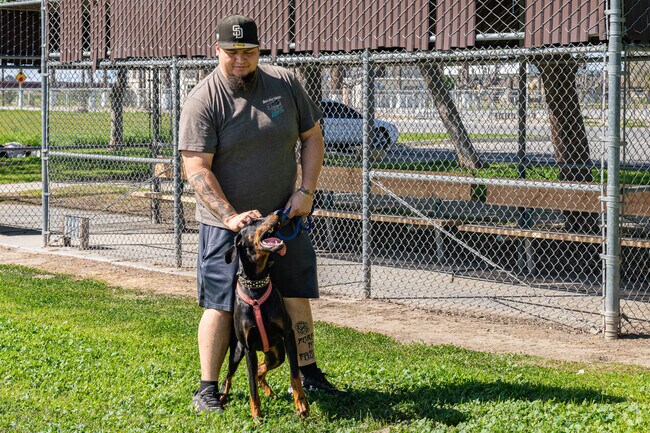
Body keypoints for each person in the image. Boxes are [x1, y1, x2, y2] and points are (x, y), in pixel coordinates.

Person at [179, 14, 346, 413]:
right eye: (232, 52)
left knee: (294, 294)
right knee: (220, 304)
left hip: (283, 219)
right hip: (228, 228)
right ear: (216, 50)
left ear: (261, 51)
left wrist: (305, 192)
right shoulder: (204, 98)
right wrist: (229, 216)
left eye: (249, 52)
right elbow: (196, 168)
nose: (241, 60)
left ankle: (308, 374)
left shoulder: (286, 83)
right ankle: (207, 388)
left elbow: (312, 138)